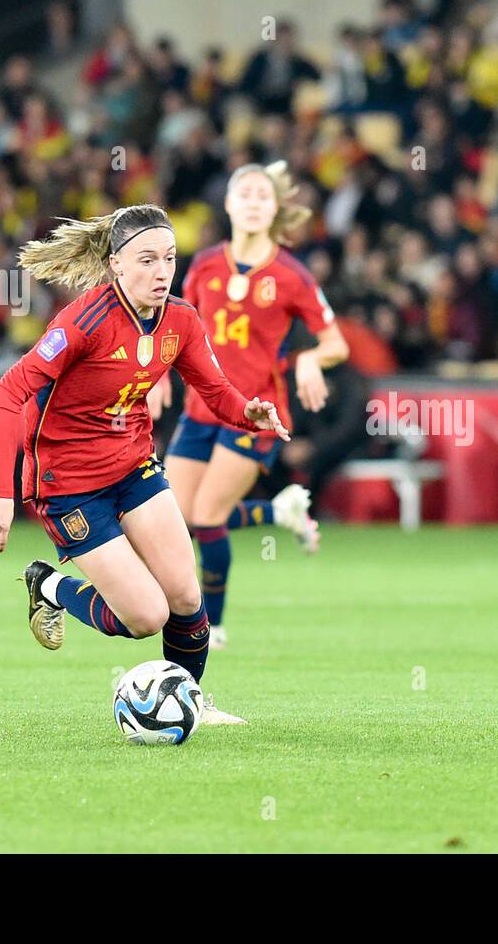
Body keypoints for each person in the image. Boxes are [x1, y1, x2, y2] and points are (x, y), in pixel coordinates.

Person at [0, 204, 290, 724]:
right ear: (116, 264)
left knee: (187, 595)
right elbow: (5, 394)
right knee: (146, 617)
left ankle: (189, 699)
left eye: (169, 258)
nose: (162, 271)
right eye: (147, 260)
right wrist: (0, 492)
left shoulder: (181, 320)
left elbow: (215, 390)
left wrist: (247, 412)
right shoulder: (83, 321)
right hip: (69, 485)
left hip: (132, 468)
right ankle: (49, 585)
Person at [158, 161, 348, 650]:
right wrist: (156, 372)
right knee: (176, 519)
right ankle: (279, 511)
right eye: (244, 192)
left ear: (276, 208)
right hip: (202, 408)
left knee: (206, 517)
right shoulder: (203, 266)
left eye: (263, 194)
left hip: (256, 411)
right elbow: (175, 326)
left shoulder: (291, 275)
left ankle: (210, 628)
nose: (253, 201)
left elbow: (336, 344)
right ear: (227, 203)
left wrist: (308, 360)